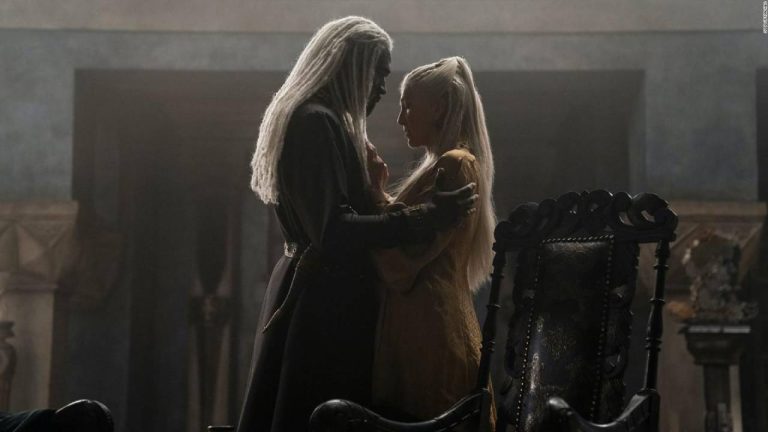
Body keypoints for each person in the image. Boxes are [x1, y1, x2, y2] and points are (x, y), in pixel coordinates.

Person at [238, 18, 478, 432]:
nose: (383, 88)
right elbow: (333, 232)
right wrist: (427, 217)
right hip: (325, 305)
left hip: (324, 295)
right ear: (351, 65)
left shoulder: (321, 120)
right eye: (378, 73)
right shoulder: (316, 121)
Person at [368, 56, 496, 427]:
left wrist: (375, 196)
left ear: (438, 108)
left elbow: (401, 262)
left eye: (408, 106)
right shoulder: (445, 164)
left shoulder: (454, 165)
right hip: (423, 327)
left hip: (431, 336)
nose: (400, 118)